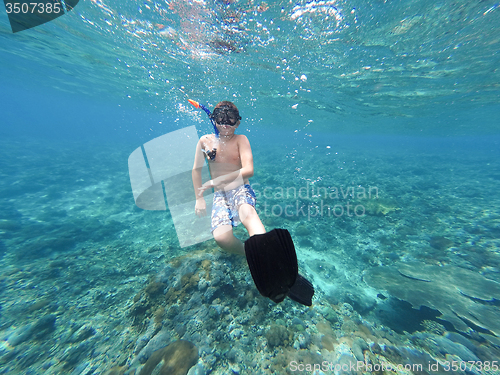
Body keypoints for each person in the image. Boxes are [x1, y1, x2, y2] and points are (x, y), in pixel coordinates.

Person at [192, 101, 265, 255]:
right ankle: (249, 255)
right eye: (220, 118)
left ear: (237, 122)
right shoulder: (204, 141)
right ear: (213, 119)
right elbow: (196, 171)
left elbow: (249, 170)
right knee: (221, 238)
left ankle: (264, 252)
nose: (225, 123)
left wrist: (218, 180)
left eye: (230, 118)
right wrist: (199, 198)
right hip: (220, 194)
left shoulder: (241, 140)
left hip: (240, 188)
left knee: (247, 213)